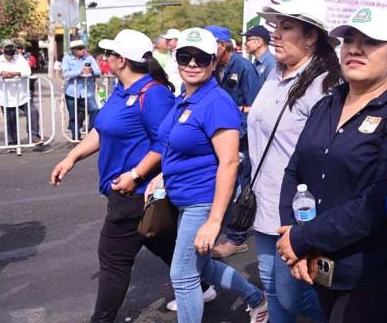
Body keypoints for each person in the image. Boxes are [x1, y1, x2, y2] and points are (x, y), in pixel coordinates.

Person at [276, 6, 387, 323]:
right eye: (349, 39)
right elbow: (295, 170)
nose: (354, 48)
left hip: (367, 273)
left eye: (370, 41)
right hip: (315, 259)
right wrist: (293, 235)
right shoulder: (326, 104)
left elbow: (378, 203)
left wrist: (303, 238)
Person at [49, 29, 194, 322]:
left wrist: (136, 175)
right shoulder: (120, 89)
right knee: (161, 241)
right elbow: (103, 129)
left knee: (113, 259)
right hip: (123, 191)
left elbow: (165, 142)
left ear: (122, 60)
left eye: (110, 54)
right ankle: (200, 286)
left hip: (135, 193)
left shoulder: (153, 95)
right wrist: (71, 157)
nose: (105, 58)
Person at [146, 27, 268, 323]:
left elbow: (228, 163)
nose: (191, 64)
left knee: (183, 274)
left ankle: (259, 300)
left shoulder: (216, 102)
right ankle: (257, 299)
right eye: (185, 56)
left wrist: (214, 221)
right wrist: (159, 176)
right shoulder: (185, 98)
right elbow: (173, 144)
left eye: (201, 58)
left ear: (214, 62)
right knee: (202, 266)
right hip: (182, 196)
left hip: (203, 199)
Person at [248, 0, 340, 323]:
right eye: (276, 25)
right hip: (262, 203)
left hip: (297, 211)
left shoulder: (325, 84)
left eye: (286, 26)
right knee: (273, 290)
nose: (276, 33)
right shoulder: (274, 74)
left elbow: (325, 156)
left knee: (294, 295)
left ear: (311, 36)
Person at [203, 25, 262, 259]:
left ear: (222, 45)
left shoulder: (244, 68)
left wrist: (236, 135)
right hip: (220, 137)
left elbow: (255, 108)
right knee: (224, 185)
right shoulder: (214, 68)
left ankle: (236, 238)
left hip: (241, 138)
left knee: (242, 188)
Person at [0, 39, 41, 146]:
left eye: (12, 47)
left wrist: (15, 73)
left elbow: (27, 71)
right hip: (6, 96)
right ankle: (12, 143)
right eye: (7, 48)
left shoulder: (20, 59)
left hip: (22, 94)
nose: (10, 50)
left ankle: (34, 136)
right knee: (10, 121)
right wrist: (1, 73)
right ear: (2, 49)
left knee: (33, 112)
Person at [62, 39, 101, 140]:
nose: (83, 50)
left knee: (94, 109)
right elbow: (66, 74)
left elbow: (98, 71)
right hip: (71, 91)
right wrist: (80, 72)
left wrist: (91, 72)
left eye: (84, 48)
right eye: (80, 48)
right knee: (73, 114)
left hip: (87, 91)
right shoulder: (67, 58)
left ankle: (91, 132)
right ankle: (76, 137)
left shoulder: (89, 58)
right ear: (73, 50)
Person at [243, 25, 277, 90]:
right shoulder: (257, 62)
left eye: (248, 40)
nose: (245, 43)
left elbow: (272, 92)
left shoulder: (271, 64)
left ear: (259, 42)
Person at [162, 29, 183, 95]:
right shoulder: (170, 54)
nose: (166, 42)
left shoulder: (182, 55)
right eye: (166, 40)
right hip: (170, 92)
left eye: (169, 40)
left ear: (177, 40)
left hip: (179, 93)